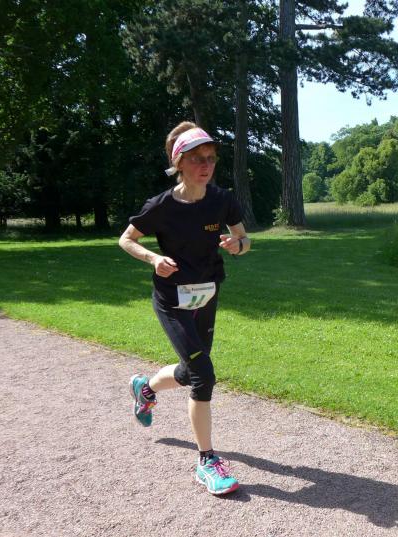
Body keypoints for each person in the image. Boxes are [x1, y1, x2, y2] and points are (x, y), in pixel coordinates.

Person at [118, 121, 250, 496]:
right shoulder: (161, 206)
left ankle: (144, 388)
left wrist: (238, 246)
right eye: (196, 159)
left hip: (207, 294)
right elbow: (126, 239)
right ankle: (207, 462)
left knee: (190, 369)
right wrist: (153, 258)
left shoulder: (222, 199)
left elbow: (244, 238)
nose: (206, 165)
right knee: (203, 373)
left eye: (210, 158)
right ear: (179, 163)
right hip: (172, 300)